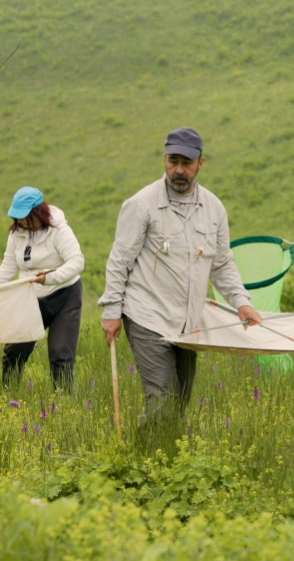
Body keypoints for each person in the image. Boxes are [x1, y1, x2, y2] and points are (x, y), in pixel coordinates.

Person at [98, 127, 261, 422]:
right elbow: (119, 260)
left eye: (187, 163)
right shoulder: (141, 204)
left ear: (200, 163)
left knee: (180, 398)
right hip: (146, 315)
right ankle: (152, 450)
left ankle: (158, 447)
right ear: (164, 159)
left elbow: (222, 262)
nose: (179, 170)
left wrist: (241, 302)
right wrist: (111, 311)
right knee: (162, 398)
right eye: (173, 161)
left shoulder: (213, 208)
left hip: (188, 321)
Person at [0, 186, 84, 389]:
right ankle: (8, 395)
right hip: (30, 298)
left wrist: (49, 278)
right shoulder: (17, 234)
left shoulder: (59, 230)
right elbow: (7, 268)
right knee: (15, 350)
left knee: (60, 354)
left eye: (26, 218)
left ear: (39, 212)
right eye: (18, 219)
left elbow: (77, 262)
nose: (22, 223)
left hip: (65, 295)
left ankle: (62, 402)